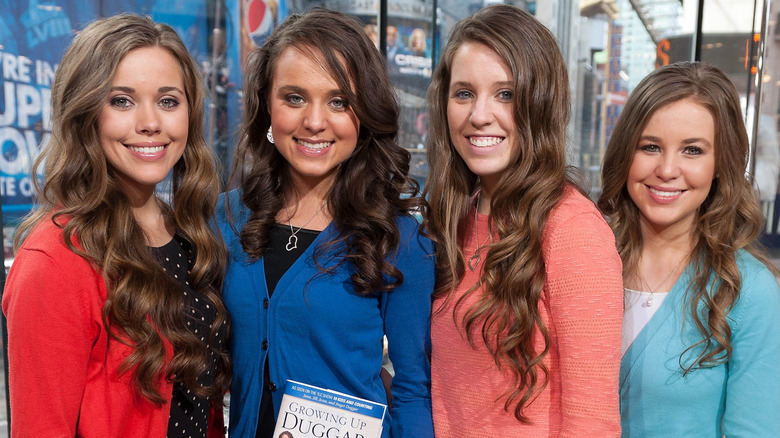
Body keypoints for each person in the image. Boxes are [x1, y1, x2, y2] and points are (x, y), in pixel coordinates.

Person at [2, 14, 231, 437]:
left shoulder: (189, 236)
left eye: (168, 101)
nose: (150, 122)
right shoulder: (55, 261)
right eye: (121, 101)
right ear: (85, 113)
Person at [216, 8, 434, 438]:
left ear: (365, 114)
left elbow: (413, 389)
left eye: (339, 102)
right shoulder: (225, 218)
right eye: (294, 98)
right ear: (266, 106)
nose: (315, 122)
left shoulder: (400, 239)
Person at [423, 4, 623, 437]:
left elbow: (593, 421)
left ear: (540, 103)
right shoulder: (454, 217)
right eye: (464, 93)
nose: (480, 115)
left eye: (505, 94)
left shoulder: (572, 229)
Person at [598, 61, 780, 436]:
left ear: (720, 164)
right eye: (650, 146)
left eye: (692, 150)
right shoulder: (584, 260)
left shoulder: (748, 290)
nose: (667, 169)